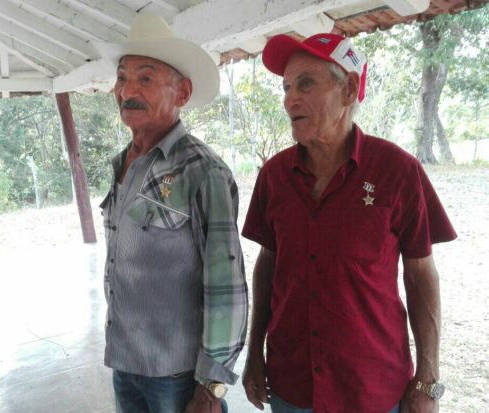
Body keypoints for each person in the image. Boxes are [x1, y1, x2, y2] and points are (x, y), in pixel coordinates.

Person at [241, 33, 456, 413]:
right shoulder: (274, 176)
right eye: (287, 86)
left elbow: (421, 276)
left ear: (349, 90)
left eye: (305, 83)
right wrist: (254, 351)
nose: (290, 98)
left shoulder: (398, 171)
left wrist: (427, 378)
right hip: (292, 385)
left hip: (370, 387)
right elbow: (269, 265)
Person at [95, 13, 248, 413]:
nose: (127, 89)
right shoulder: (123, 164)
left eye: (145, 78)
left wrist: (211, 387)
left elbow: (226, 287)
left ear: (182, 92)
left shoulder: (202, 171)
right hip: (125, 362)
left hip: (177, 375)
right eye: (122, 77)